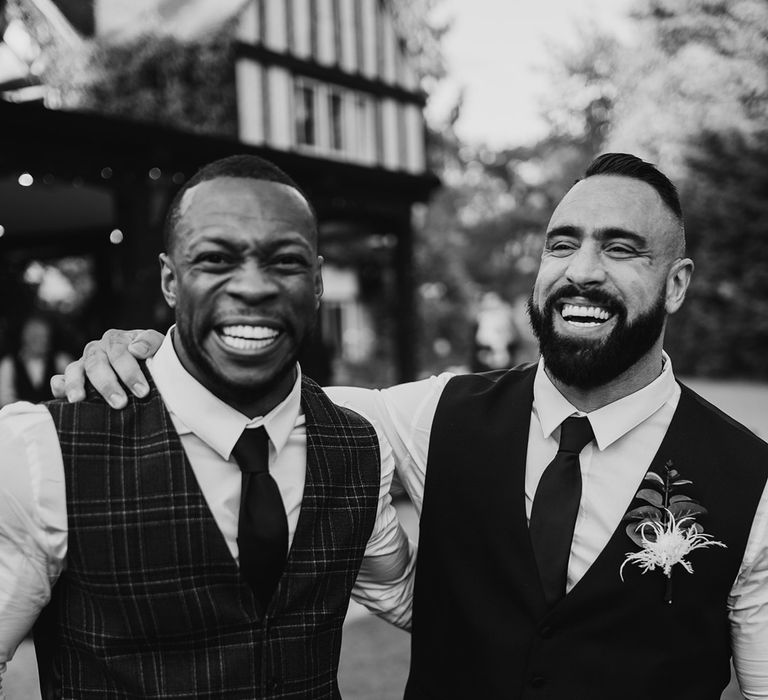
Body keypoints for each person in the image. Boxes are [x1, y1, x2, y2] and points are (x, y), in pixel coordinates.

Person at [52, 154, 768, 699]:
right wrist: (146, 354)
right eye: (561, 244)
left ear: (676, 282)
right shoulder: (434, 415)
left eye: (621, 248)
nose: (581, 272)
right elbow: (250, 391)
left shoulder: (751, 483)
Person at [0, 154, 414, 699]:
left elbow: (416, 602)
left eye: (285, 262)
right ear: (172, 280)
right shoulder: (42, 449)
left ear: (316, 284)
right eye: (217, 259)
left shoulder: (358, 447)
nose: (253, 287)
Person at [0, 314, 71, 407]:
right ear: (25, 338)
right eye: (37, 337)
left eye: (45, 337)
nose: (43, 341)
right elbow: (5, 401)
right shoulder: (9, 364)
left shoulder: (61, 360)